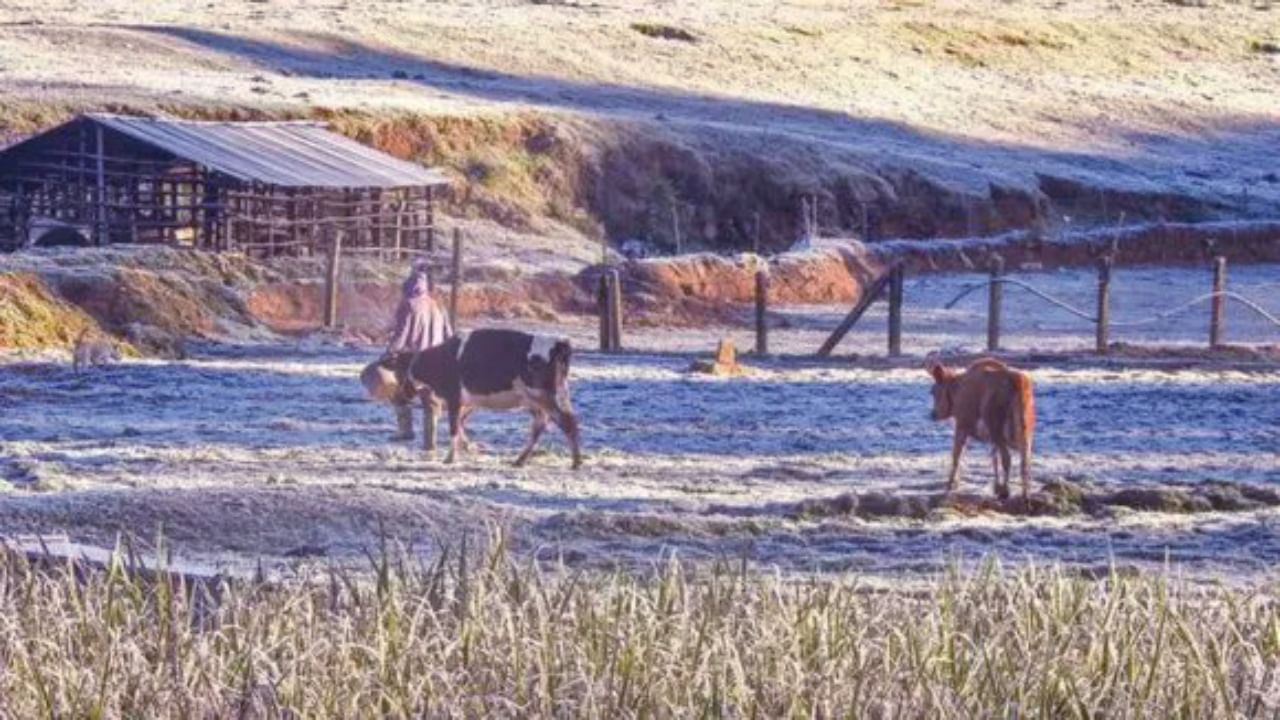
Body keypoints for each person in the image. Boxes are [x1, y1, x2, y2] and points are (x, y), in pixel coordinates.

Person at [384, 260, 452, 441]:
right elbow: (449, 335)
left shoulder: (408, 305)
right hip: (436, 357)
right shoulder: (438, 305)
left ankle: (405, 431)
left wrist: (390, 352)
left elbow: (401, 334)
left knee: (400, 394)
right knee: (431, 400)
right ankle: (430, 441)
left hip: (410, 358)